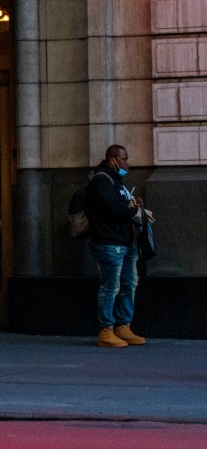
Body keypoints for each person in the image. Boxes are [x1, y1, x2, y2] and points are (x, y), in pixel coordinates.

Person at [85, 144, 148, 347]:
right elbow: (113, 208)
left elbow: (120, 205)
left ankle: (123, 326)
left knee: (129, 284)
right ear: (113, 160)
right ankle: (106, 330)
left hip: (124, 242)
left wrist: (133, 205)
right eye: (124, 159)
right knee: (110, 287)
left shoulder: (117, 182)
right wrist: (132, 210)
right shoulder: (102, 180)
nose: (127, 164)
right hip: (109, 242)